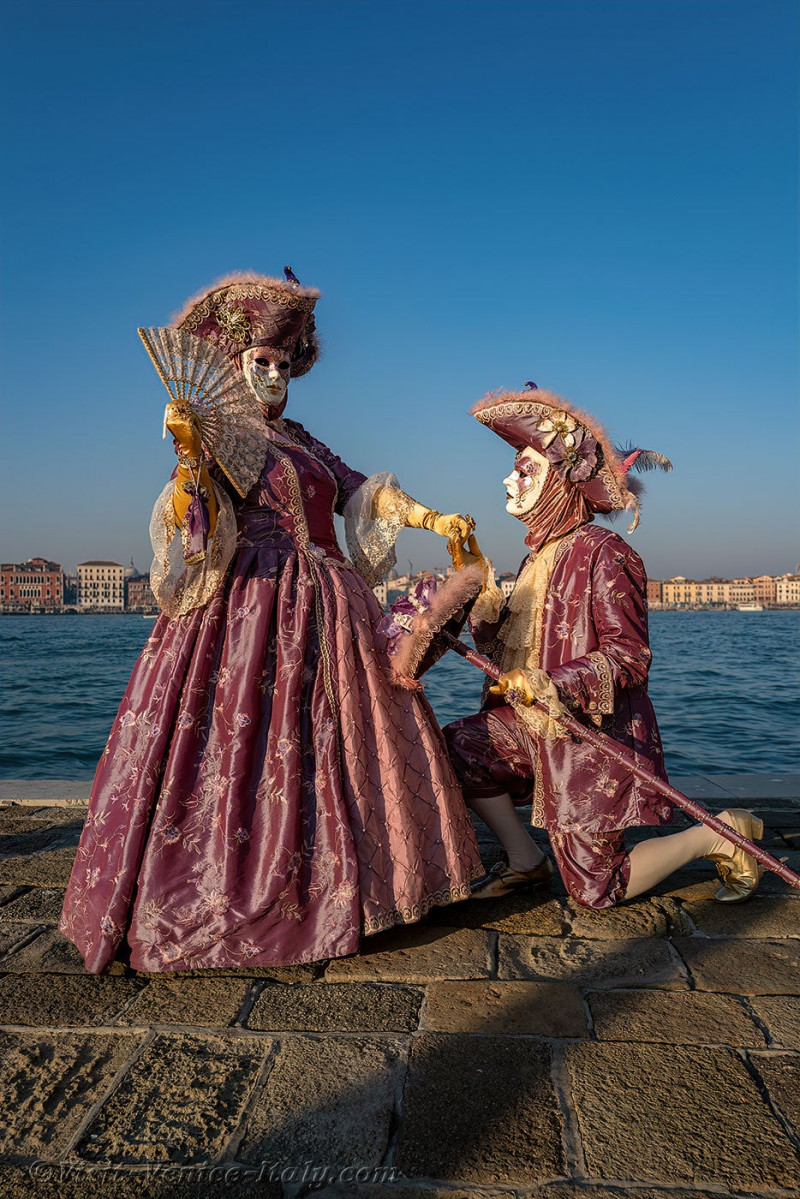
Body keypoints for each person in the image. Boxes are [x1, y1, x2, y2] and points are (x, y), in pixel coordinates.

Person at [60, 270, 482, 973]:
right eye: (263, 360)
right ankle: (242, 884)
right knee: (244, 734)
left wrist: (433, 518)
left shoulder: (303, 439)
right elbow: (194, 514)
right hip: (250, 603)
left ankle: (371, 881)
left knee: (350, 733)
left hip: (331, 601)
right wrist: (189, 455)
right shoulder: (217, 432)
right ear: (235, 363)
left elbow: (358, 490)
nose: (276, 374)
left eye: (286, 364)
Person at [444, 385, 764, 909]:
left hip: (588, 736)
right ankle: (524, 861)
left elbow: (629, 656)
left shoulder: (605, 552)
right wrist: (474, 584)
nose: (507, 479)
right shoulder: (534, 559)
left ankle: (720, 833)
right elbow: (504, 652)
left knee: (596, 889)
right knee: (458, 747)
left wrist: (550, 683)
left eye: (524, 470)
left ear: (558, 484)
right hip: (533, 724)